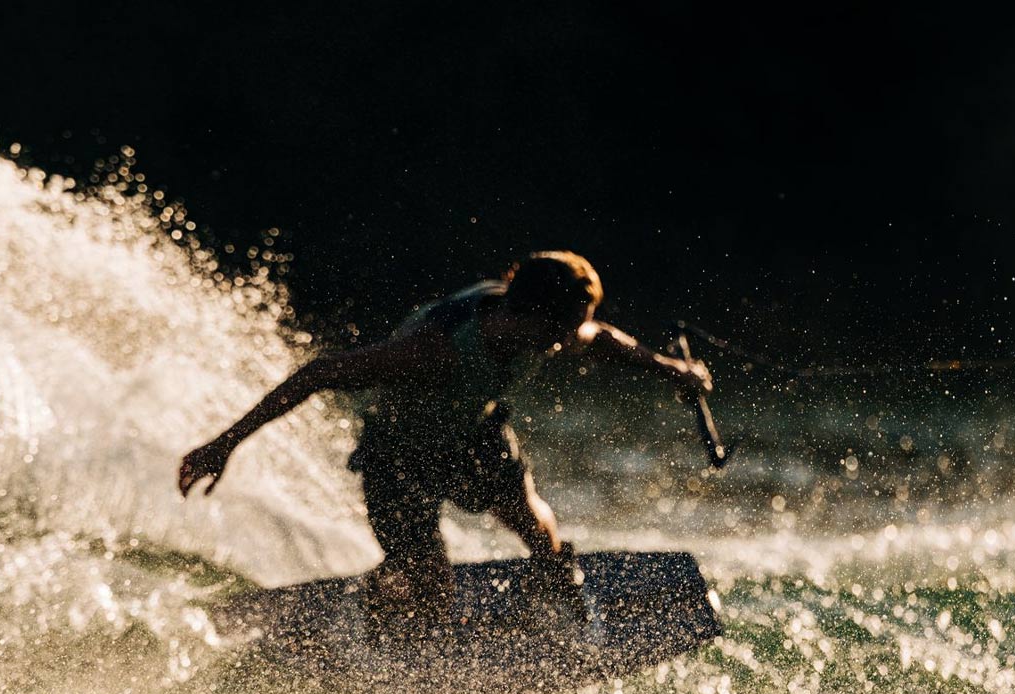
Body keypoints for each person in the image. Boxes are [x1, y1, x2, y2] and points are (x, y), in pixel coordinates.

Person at [178, 251, 712, 623]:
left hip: (472, 430)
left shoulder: (544, 320)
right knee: (430, 586)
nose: (568, 340)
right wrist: (224, 444)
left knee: (533, 525)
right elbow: (321, 373)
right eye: (562, 328)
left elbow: (600, 337)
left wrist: (672, 370)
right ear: (528, 315)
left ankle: (552, 578)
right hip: (397, 450)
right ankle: (393, 595)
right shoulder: (438, 351)